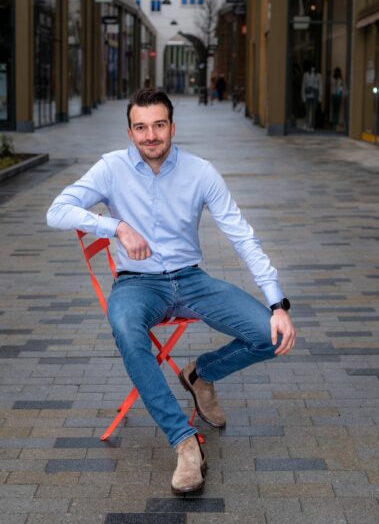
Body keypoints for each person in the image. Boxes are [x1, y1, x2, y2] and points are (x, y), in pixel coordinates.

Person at [47, 88, 296, 495]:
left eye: (159, 125)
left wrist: (277, 303)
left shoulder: (201, 172)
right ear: (130, 132)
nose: (150, 135)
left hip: (192, 279)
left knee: (271, 334)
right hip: (137, 283)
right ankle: (184, 442)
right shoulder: (111, 168)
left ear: (172, 128)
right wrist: (116, 227)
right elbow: (56, 211)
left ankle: (201, 373)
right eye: (141, 127)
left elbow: (242, 237)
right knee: (126, 329)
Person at [301, 64, 323, 131]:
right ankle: (307, 124)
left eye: (314, 67)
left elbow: (320, 86)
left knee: (313, 110)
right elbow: (303, 85)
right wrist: (303, 96)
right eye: (311, 67)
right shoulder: (306, 75)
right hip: (308, 92)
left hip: (315, 93)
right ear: (309, 67)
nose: (313, 68)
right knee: (307, 110)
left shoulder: (318, 75)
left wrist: (320, 97)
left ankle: (312, 126)